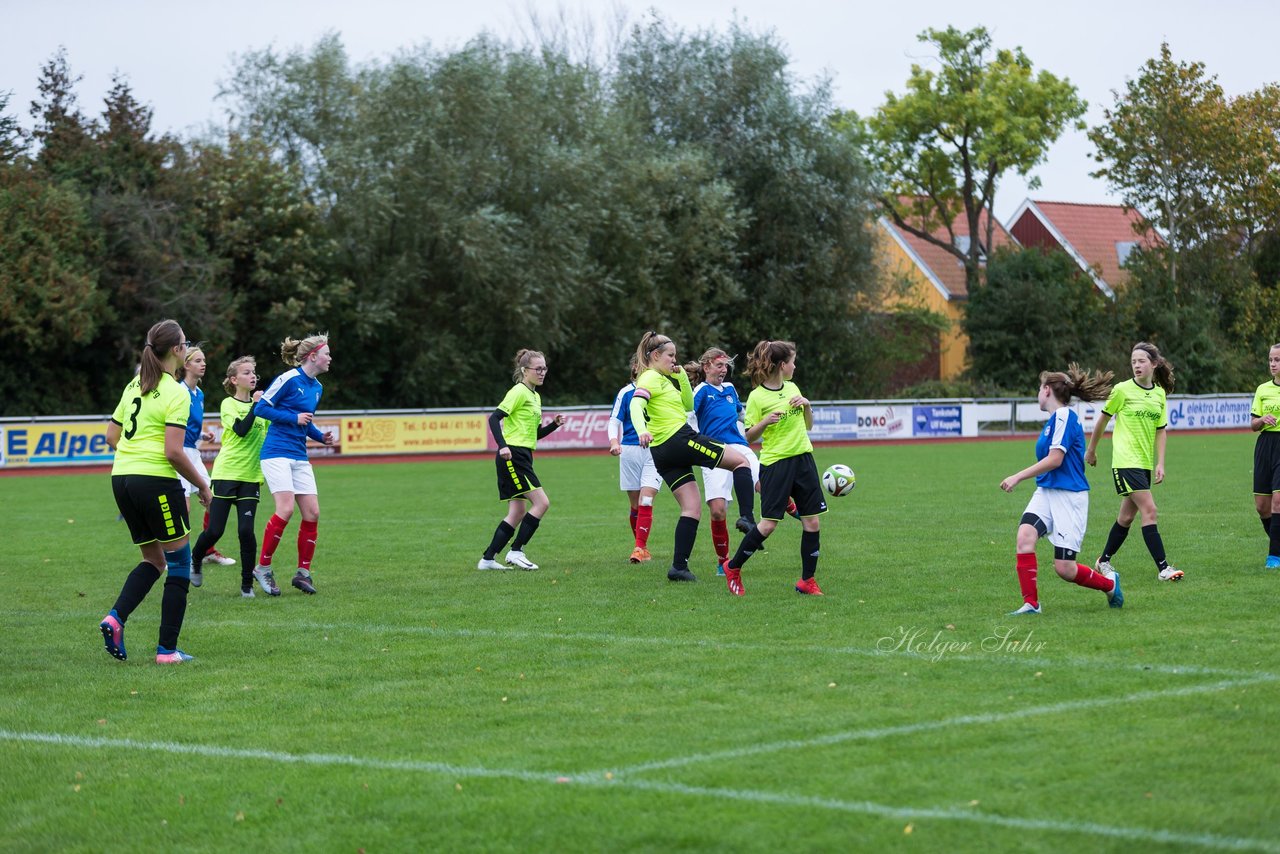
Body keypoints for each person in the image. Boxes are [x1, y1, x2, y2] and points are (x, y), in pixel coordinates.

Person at [98, 319, 212, 665]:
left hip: (122, 480)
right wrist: (204, 486)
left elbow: (111, 438)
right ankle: (167, 651)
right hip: (156, 482)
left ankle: (115, 618)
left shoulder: (135, 384)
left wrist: (135, 459)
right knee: (179, 564)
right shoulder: (176, 392)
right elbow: (174, 452)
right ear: (178, 350)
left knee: (153, 560)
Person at [628, 331, 757, 583]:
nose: (674, 360)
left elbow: (688, 405)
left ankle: (678, 568)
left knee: (691, 508)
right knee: (740, 461)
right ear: (655, 355)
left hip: (663, 452)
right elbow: (636, 404)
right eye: (671, 355)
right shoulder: (651, 377)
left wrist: (681, 378)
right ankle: (747, 518)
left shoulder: (665, 379)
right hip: (680, 439)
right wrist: (641, 430)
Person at [1000, 365, 1122, 614]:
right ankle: (1031, 604)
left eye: (1039, 388)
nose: (1037, 393)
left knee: (1064, 568)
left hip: (1069, 496)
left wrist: (1018, 476)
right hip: (1046, 491)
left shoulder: (1065, 416)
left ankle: (1109, 585)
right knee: (1025, 537)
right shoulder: (1054, 421)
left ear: (1046, 390)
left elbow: (1055, 459)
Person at [720, 340, 825, 596]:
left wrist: (808, 406)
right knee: (768, 524)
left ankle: (807, 581)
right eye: (792, 361)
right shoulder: (757, 396)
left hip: (803, 460)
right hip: (776, 465)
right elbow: (748, 437)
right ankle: (733, 567)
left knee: (812, 522)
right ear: (781, 365)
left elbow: (808, 426)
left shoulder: (793, 388)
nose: (795, 365)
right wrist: (765, 421)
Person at [687, 348, 798, 576]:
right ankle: (723, 561)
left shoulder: (730, 389)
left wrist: (747, 434)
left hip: (739, 446)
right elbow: (689, 421)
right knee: (718, 511)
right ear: (707, 367)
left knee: (765, 485)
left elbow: (740, 416)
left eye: (726, 366)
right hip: (714, 451)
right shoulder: (700, 391)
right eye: (719, 365)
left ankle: (792, 507)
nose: (724, 370)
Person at [1084, 342, 1182, 582]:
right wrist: (1091, 450)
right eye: (1133, 362)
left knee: (1126, 518)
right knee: (1150, 510)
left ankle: (1103, 560)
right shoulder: (1122, 390)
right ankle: (1163, 568)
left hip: (1144, 463)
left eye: (1141, 361)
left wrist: (1160, 463)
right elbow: (1102, 420)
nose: (1136, 365)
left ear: (1154, 364)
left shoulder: (1159, 394)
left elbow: (1161, 430)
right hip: (1125, 461)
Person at [252, 333, 335, 596]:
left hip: (299, 456)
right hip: (276, 453)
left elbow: (305, 422)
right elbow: (261, 409)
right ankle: (262, 568)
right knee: (285, 509)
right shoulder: (288, 379)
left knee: (312, 513)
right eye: (327, 354)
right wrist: (293, 417)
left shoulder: (317, 387)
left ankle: (303, 573)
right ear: (313, 357)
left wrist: (321, 437)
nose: (330, 358)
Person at [477, 349, 565, 571]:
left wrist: (554, 425)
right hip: (513, 456)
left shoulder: (535, 396)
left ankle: (487, 559)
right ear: (525, 370)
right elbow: (494, 418)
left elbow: (535, 434)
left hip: (523, 454)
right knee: (542, 503)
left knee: (516, 512)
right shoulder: (518, 391)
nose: (543, 372)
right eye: (538, 368)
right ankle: (516, 551)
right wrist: (503, 446)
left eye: (545, 368)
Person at [191, 356, 268, 596]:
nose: (252, 376)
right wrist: (256, 405)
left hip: (251, 476)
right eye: (246, 372)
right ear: (234, 380)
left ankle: (247, 586)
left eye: (254, 372)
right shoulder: (228, 404)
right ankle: (195, 560)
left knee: (246, 532)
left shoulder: (264, 407)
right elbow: (242, 431)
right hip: (226, 474)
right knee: (215, 531)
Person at [178, 344, 236, 570]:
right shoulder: (178, 391)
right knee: (183, 509)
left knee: (213, 502)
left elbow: (186, 424)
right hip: (179, 453)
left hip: (193, 452)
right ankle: (176, 557)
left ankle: (206, 551)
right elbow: (171, 426)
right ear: (185, 365)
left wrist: (202, 433)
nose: (204, 364)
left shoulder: (198, 393)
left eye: (204, 360)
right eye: (198, 361)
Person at [608, 356, 660, 564]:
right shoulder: (626, 392)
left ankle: (638, 548)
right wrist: (614, 442)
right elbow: (614, 420)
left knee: (646, 499)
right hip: (629, 450)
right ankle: (642, 547)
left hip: (655, 449)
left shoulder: (659, 389)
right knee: (636, 505)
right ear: (635, 368)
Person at [1249, 343, 1280, 569]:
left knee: (1278, 502)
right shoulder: (1262, 390)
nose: (1273, 363)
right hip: (1265, 446)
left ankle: (1274, 557)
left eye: (1277, 360)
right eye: (1271, 359)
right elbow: (1253, 425)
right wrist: (1262, 420)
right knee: (1262, 505)